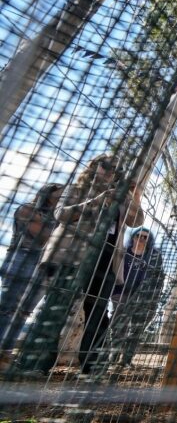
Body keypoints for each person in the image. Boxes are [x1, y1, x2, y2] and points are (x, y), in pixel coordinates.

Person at [13, 154, 143, 377]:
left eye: (118, 168)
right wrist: (96, 200)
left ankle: (93, 369)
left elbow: (137, 221)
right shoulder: (76, 188)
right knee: (56, 307)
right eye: (107, 166)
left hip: (106, 257)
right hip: (71, 255)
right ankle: (35, 364)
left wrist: (131, 195)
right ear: (94, 167)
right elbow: (61, 213)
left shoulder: (121, 196)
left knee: (98, 313)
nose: (112, 171)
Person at [0, 183, 63, 367]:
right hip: (22, 257)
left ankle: (6, 354)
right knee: (7, 307)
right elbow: (43, 235)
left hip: (44, 263)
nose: (64, 197)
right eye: (60, 194)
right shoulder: (27, 209)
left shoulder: (59, 217)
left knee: (24, 311)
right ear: (48, 193)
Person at [106, 226, 164, 370]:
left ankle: (126, 359)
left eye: (146, 237)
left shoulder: (154, 256)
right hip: (122, 292)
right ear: (133, 237)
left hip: (144, 296)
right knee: (119, 324)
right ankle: (114, 354)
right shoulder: (123, 253)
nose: (142, 239)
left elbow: (159, 277)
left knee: (137, 328)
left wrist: (154, 297)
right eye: (139, 236)